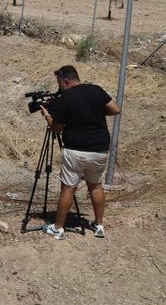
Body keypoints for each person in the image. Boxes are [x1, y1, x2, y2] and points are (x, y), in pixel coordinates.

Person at [39, 65, 120, 240]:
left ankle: (58, 228)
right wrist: (95, 112)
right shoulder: (96, 90)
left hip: (76, 150)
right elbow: (116, 109)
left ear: (67, 81)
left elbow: (57, 128)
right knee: (96, 186)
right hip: (99, 149)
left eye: (60, 82)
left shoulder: (65, 99)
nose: (59, 86)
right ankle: (99, 225)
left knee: (68, 188)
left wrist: (47, 116)